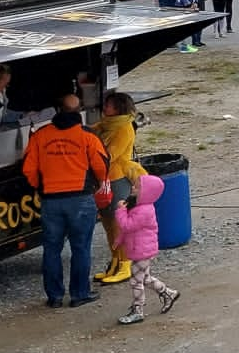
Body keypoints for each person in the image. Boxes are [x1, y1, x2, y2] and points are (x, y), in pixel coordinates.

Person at [21, 95, 110, 308]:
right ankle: (79, 294)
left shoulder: (40, 136)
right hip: (80, 198)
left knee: (51, 249)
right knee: (81, 248)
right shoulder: (87, 136)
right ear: (79, 111)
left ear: (58, 110)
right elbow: (102, 165)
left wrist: (40, 187)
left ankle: (54, 297)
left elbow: (28, 169)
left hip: (51, 200)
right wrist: (97, 184)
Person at [113, 161, 179, 324]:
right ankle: (168, 293)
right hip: (139, 249)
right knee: (145, 278)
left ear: (146, 193)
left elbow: (127, 225)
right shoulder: (138, 206)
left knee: (136, 280)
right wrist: (119, 240)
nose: (133, 188)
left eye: (136, 187)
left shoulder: (144, 210)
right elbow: (127, 230)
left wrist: (120, 210)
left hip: (142, 251)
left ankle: (138, 309)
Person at [93, 89, 142, 286]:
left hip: (117, 178)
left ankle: (125, 264)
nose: (104, 108)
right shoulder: (106, 124)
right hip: (103, 179)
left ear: (118, 108)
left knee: (118, 223)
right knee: (107, 223)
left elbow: (110, 155)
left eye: (108, 105)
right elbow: (90, 131)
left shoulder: (124, 128)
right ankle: (114, 261)